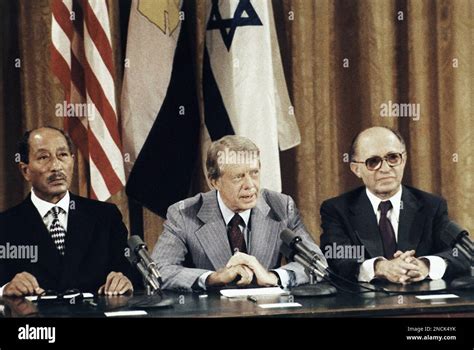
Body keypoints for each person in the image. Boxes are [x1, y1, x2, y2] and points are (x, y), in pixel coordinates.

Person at [152, 135, 325, 291]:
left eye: (254, 173)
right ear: (214, 182)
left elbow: (317, 263)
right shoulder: (184, 214)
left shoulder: (281, 206)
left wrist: (272, 277)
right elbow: (159, 269)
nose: (250, 185)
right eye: (238, 177)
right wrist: (213, 277)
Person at [320, 126, 469, 284]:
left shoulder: (431, 206)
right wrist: (380, 267)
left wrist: (425, 265)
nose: (385, 169)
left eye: (393, 158)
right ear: (356, 169)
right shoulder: (337, 209)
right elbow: (336, 258)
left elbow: (461, 253)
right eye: (373, 162)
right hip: (364, 303)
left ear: (403, 160)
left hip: (421, 303)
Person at [0, 127, 133, 297]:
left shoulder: (105, 217)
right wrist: (5, 289)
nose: (56, 166)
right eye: (43, 157)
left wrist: (124, 280)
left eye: (62, 155)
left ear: (72, 160)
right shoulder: (5, 225)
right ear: (25, 170)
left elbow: (126, 271)